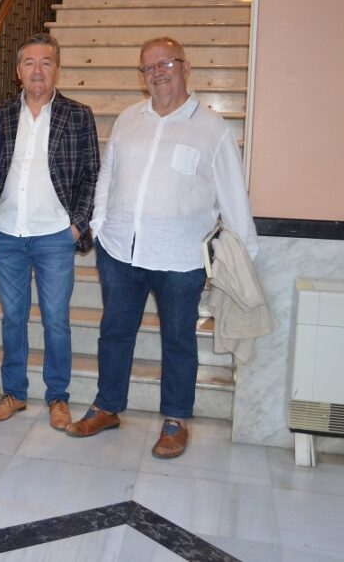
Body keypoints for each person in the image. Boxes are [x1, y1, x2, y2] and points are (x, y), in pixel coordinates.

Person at [65, 36, 257, 459]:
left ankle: (175, 419)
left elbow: (232, 197)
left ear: (186, 68)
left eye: (166, 64)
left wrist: (247, 256)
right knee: (114, 334)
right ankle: (108, 405)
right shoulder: (129, 119)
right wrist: (98, 226)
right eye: (148, 67)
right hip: (120, 251)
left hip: (181, 257)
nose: (157, 73)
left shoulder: (212, 128)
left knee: (178, 341)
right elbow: (107, 178)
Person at [0, 33, 99, 432]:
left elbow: (91, 176)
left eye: (46, 62)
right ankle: (14, 392)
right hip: (5, 234)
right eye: (29, 62)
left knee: (56, 318)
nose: (37, 70)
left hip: (55, 235)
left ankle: (57, 397)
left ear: (57, 69)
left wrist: (77, 225)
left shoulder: (78, 115)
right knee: (13, 317)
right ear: (18, 71)